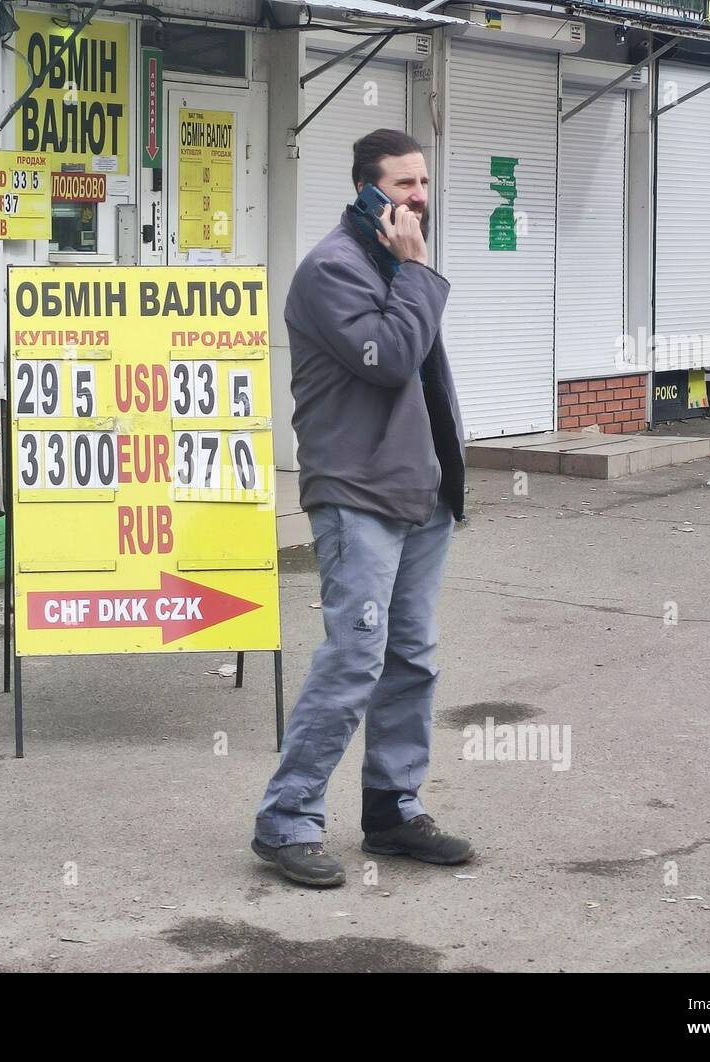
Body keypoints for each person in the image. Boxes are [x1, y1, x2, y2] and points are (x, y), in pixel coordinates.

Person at [251, 128, 469, 888]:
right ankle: (288, 821)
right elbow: (392, 359)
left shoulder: (391, 264)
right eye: (404, 186)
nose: (418, 199)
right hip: (357, 493)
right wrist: (413, 271)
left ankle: (392, 811)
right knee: (354, 659)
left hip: (420, 492)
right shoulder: (332, 270)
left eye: (424, 185)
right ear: (367, 191)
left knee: (412, 660)